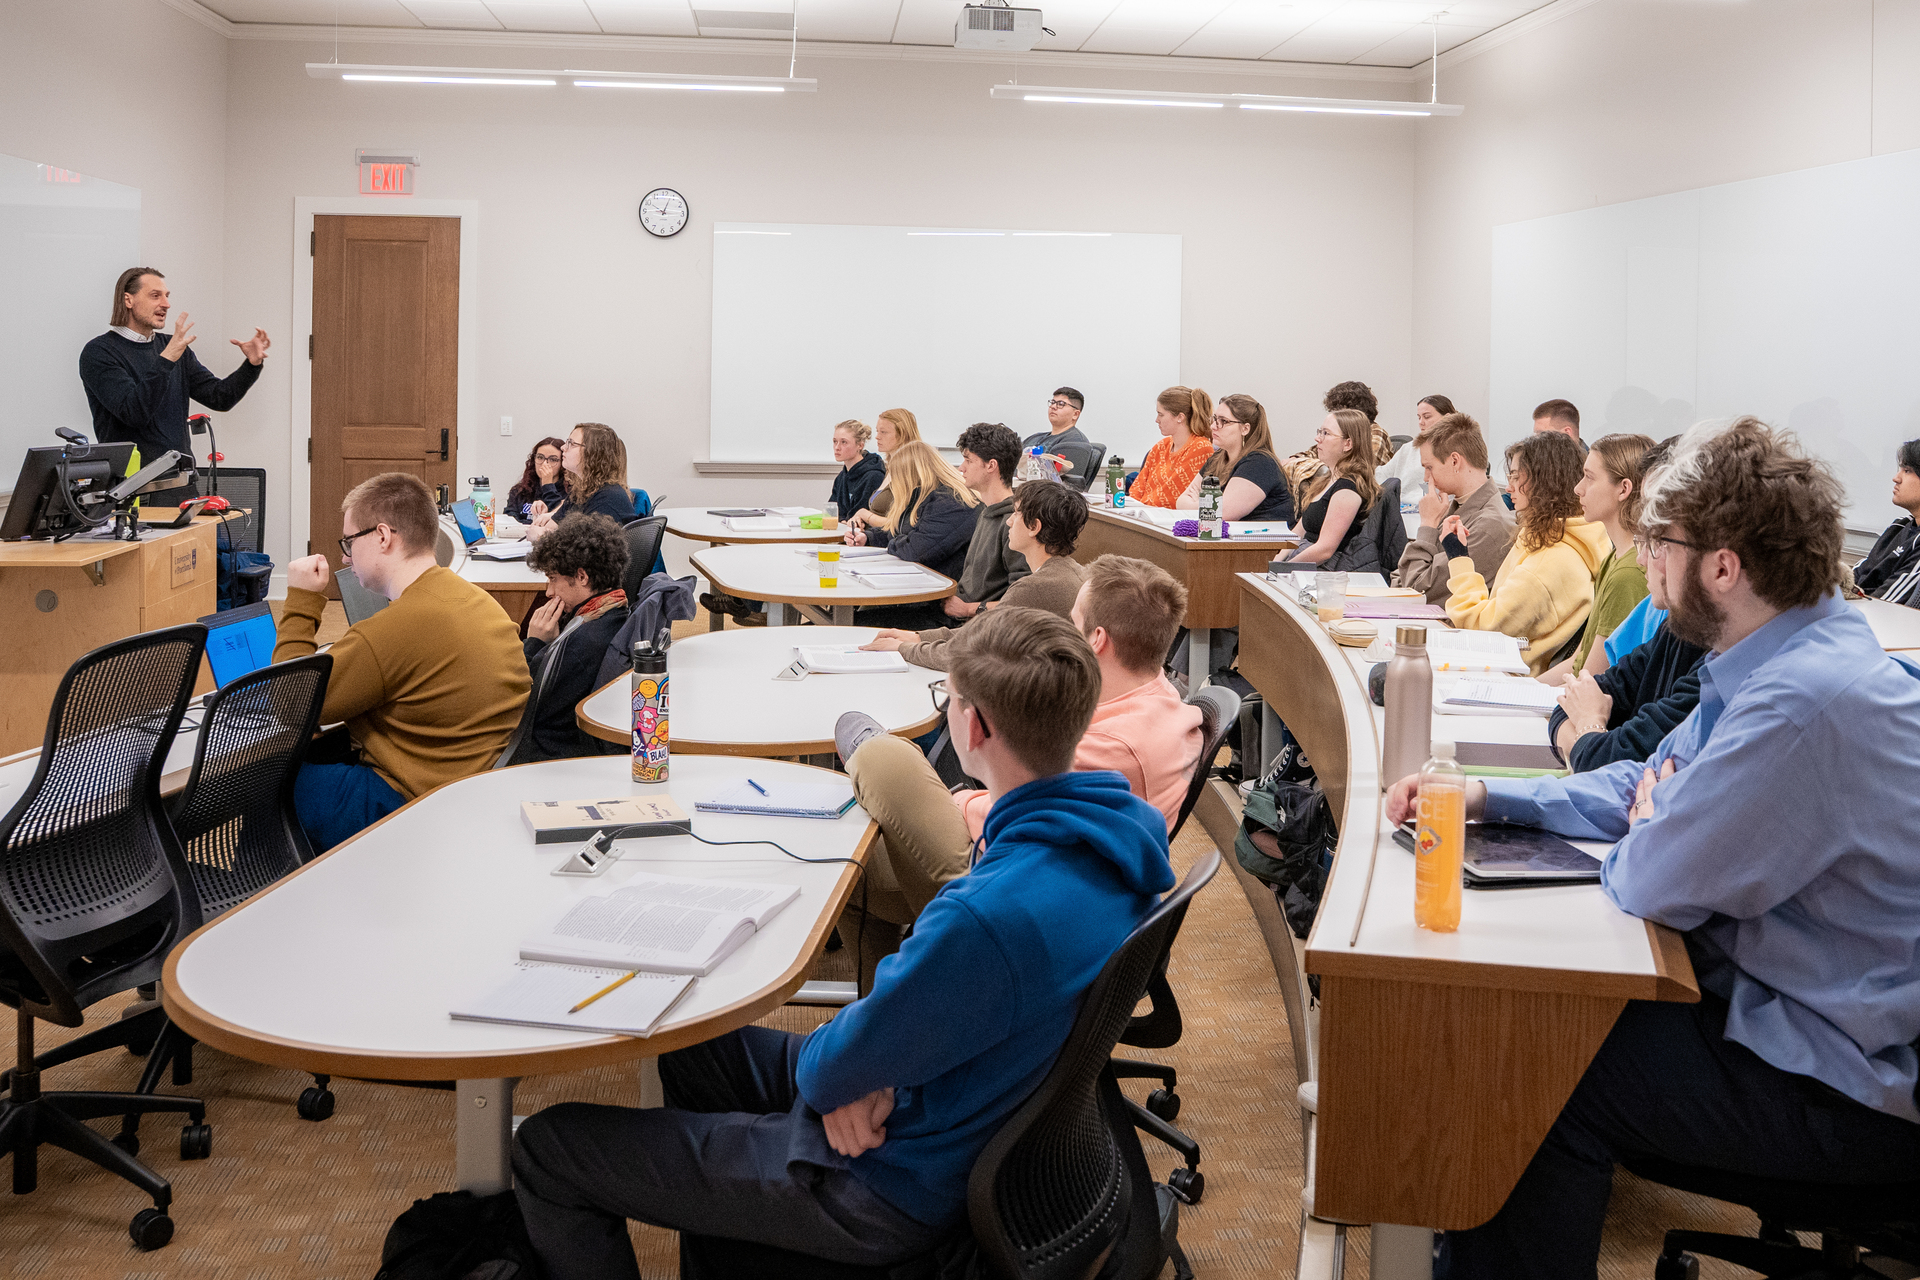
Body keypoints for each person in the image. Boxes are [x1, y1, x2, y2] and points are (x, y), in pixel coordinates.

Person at [1384, 417, 1920, 1279]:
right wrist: (1493, 797)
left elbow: (1655, 878)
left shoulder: (1800, 703)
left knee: (1524, 1073)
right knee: (1526, 1030)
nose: (1648, 563)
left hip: (1845, 1083)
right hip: (1794, 1010)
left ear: (1723, 565)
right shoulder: (1778, 654)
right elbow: (1640, 784)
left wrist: (1659, 815)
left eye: (1663, 544)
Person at [512, 607, 1175, 1279]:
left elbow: (829, 1069)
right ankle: (737, 1222)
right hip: (958, 1109)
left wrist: (857, 1075)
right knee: (689, 1039)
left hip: (892, 1188)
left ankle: (766, 1186)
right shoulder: (1118, 835)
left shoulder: (990, 915)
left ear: (973, 726)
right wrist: (873, 1066)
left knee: (549, 1147)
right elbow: (911, 1027)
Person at [837, 553, 1200, 975]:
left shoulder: (1115, 747)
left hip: (1007, 885)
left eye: (1073, 618)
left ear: (1097, 639)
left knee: (884, 775)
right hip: (1054, 877)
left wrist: (956, 801)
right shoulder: (1155, 696)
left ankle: (914, 981)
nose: (1067, 625)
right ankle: (904, 980)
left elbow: (1013, 816)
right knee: (866, 830)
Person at [273, 473, 530, 850]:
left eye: (349, 542)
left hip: (409, 807)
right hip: (469, 795)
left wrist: (300, 599)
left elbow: (289, 701)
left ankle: (252, 896)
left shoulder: (393, 629)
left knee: (267, 779)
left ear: (382, 536)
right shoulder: (476, 600)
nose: (345, 557)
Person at [862, 478, 1090, 670]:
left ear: (1034, 527)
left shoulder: (1037, 588)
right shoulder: (1064, 572)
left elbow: (968, 651)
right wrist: (917, 637)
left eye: (1017, 514)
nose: (1009, 521)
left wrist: (904, 648)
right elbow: (977, 633)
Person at [1442, 431, 1607, 674]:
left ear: (1545, 482)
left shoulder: (1549, 564)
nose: (1508, 487)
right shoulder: (1548, 536)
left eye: (1517, 477)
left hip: (1511, 682)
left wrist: (1458, 558)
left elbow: (1481, 631)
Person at [79, 266, 270, 469]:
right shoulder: (99, 352)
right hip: (131, 487)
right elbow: (134, 412)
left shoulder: (173, 348)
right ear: (128, 300)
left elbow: (220, 397)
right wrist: (167, 358)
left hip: (181, 480)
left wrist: (251, 364)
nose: (166, 304)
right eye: (155, 296)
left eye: (167, 296)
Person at [1538, 432, 1656, 681]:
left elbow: (1592, 677)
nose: (1578, 488)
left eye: (1589, 478)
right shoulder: (1613, 559)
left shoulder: (1629, 573)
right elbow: (1576, 663)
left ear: (1623, 489)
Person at [517, 514, 632, 762]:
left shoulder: (578, 644)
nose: (549, 592)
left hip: (545, 755)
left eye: (553, 579)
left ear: (581, 577)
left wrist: (534, 643)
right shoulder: (617, 614)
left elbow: (519, 700)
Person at [846, 440, 981, 628]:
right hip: (920, 593)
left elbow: (915, 550)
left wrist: (897, 542)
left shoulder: (952, 503)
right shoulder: (924, 496)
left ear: (911, 475)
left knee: (850, 623)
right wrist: (868, 538)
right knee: (851, 616)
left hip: (937, 608)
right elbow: (900, 532)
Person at [1393, 412, 1515, 605]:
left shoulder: (1489, 527)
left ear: (1455, 461)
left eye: (1429, 468)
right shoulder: (1457, 506)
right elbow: (1401, 575)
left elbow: (1417, 590)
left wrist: (1427, 525)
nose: (1426, 478)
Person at [938, 422, 1029, 621]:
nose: (961, 468)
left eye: (968, 461)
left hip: (977, 627)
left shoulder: (1013, 523)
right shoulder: (986, 512)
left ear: (991, 465)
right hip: (957, 617)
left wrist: (969, 609)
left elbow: (1024, 599)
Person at [1174, 394, 1293, 523]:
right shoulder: (1218, 458)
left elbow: (1224, 513)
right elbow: (1181, 502)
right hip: (1229, 538)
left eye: (1223, 421)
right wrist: (1209, 506)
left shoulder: (1259, 463)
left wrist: (1198, 502)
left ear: (1245, 429)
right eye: (1215, 419)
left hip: (1262, 541)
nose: (1213, 426)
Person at [1282, 409, 1379, 566]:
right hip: (1301, 560)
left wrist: (1284, 569)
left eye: (1326, 433)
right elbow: (1297, 533)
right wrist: (1275, 563)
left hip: (1322, 570)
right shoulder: (1326, 480)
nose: (1317, 439)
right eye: (1319, 432)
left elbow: (1325, 550)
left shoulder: (1348, 489)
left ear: (1348, 443)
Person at [527, 423, 636, 543]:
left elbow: (587, 552)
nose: (563, 447)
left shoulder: (608, 498)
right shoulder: (581, 491)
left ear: (592, 453)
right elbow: (552, 527)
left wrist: (541, 537)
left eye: (571, 443)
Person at [1853, 438, 1920, 607]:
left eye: (1907, 470)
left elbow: (1885, 608)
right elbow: (1854, 577)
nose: (1896, 478)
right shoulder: (1899, 526)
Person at [1126, 386, 1215, 508]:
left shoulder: (1201, 448)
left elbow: (1174, 498)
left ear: (1180, 417)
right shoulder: (1161, 446)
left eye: (1161, 414)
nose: (1157, 420)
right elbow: (1137, 489)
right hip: (1145, 514)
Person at [1377, 393, 1457, 492]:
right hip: (1401, 504)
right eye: (1419, 417)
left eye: (1427, 417)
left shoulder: (1457, 449)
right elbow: (1382, 474)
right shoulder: (1409, 448)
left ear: (1447, 418)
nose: (1421, 422)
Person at [861, 408, 921, 520]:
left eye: (883, 432)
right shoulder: (890, 466)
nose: (877, 436)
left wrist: (865, 516)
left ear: (902, 434)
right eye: (877, 431)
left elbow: (901, 524)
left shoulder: (910, 471)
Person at [830, 418, 887, 519]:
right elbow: (832, 511)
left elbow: (862, 515)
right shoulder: (841, 477)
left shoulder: (873, 476)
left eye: (844, 442)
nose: (837, 447)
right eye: (835, 441)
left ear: (860, 445)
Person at [505, 437, 568, 525]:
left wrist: (548, 485)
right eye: (540, 457)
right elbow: (509, 520)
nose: (544, 464)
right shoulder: (520, 490)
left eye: (553, 459)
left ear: (562, 463)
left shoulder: (569, 491)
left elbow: (560, 517)